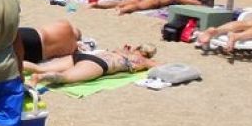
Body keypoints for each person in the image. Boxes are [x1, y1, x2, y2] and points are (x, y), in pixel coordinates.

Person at [27, 44, 157, 85]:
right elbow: (160, 67)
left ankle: (15, 66)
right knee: (65, 77)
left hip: (87, 56)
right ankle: (39, 78)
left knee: (40, 67)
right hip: (97, 64)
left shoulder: (121, 50)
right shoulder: (144, 61)